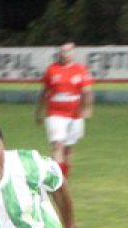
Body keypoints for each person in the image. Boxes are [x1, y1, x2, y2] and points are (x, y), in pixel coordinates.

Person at [34, 42, 94, 181]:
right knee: (57, 144)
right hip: (55, 114)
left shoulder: (80, 70)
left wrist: (88, 109)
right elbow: (44, 92)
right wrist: (39, 111)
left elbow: (87, 91)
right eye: (62, 51)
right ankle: (57, 177)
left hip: (75, 115)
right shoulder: (52, 70)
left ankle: (64, 175)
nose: (64, 54)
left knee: (69, 146)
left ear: (73, 53)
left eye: (67, 51)